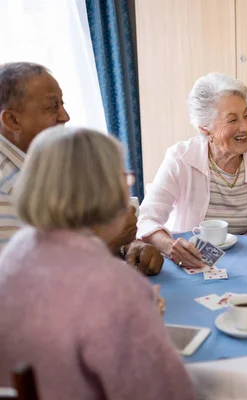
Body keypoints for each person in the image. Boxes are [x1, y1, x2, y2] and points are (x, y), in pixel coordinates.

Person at [0, 126, 193, 400]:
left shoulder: (16, 250)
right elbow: (168, 393)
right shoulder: (116, 287)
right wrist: (142, 316)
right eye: (124, 180)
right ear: (107, 193)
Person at [0, 61, 162, 275]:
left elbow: (78, 228)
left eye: (62, 104)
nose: (65, 116)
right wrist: (106, 240)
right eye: (52, 107)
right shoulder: (5, 186)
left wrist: (130, 247)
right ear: (12, 120)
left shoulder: (55, 159)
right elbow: (24, 279)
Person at [138, 72, 247, 268]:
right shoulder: (180, 158)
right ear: (205, 128)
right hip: (190, 264)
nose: (245, 126)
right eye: (232, 120)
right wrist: (170, 246)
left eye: (246, 115)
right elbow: (146, 219)